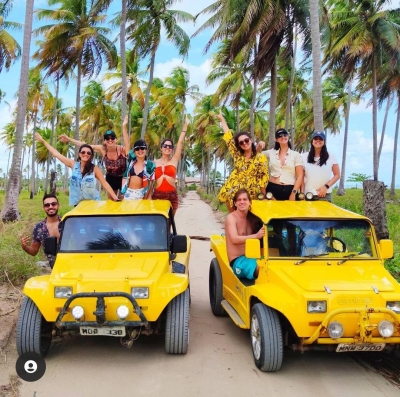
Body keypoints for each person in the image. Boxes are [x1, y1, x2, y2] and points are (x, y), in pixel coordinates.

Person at [35, 133, 119, 205]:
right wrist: (43, 141)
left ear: (91, 155)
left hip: (93, 203)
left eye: (88, 153)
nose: (85, 154)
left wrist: (115, 197)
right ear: (79, 154)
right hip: (78, 203)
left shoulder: (95, 169)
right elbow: (56, 154)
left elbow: (105, 184)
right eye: (83, 152)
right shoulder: (73, 164)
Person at [216, 111, 269, 212]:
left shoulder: (260, 157)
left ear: (251, 140)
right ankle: (234, 219)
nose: (244, 143)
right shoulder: (237, 154)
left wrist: (264, 195)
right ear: (239, 145)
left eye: (246, 140)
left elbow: (262, 177)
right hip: (235, 184)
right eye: (241, 142)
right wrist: (222, 119)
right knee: (228, 195)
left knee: (247, 207)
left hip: (250, 187)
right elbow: (228, 138)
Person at [58, 130, 127, 199]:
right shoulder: (102, 149)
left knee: (123, 200)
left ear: (116, 139)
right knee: (112, 201)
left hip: (123, 177)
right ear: (104, 141)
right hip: (111, 178)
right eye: (107, 138)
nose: (110, 140)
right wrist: (69, 139)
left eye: (112, 138)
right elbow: (85, 145)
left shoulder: (122, 149)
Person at [225, 189, 265, 280]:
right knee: (264, 269)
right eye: (239, 200)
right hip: (238, 260)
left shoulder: (252, 218)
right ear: (235, 203)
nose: (242, 202)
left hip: (253, 256)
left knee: (273, 265)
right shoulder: (231, 218)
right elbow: (234, 239)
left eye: (244, 199)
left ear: (250, 202)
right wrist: (256, 236)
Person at [152, 116, 189, 214]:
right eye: (165, 146)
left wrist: (185, 127)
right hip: (158, 195)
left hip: (172, 195)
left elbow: (180, 142)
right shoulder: (154, 162)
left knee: (169, 224)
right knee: (158, 222)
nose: (167, 148)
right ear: (161, 148)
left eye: (170, 146)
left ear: (172, 149)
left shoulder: (174, 160)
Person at [257, 128, 303, 200]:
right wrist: (259, 146)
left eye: (285, 135)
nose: (283, 137)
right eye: (280, 136)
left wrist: (294, 192)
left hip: (290, 189)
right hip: (272, 189)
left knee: (290, 211)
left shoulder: (296, 155)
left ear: (288, 137)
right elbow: (256, 154)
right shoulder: (271, 152)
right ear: (276, 139)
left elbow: (300, 176)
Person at [19, 193, 64, 268]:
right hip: (53, 267)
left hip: (70, 262)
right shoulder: (39, 227)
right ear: (43, 208)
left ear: (58, 205)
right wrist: (25, 247)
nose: (51, 207)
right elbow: (34, 251)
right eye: (47, 205)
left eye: (53, 204)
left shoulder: (67, 222)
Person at [121, 116, 155, 200]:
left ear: (146, 150)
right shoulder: (131, 161)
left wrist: (148, 199)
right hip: (128, 193)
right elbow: (127, 143)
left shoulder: (150, 165)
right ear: (135, 151)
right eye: (137, 149)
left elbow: (150, 185)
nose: (140, 151)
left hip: (141, 195)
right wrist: (124, 127)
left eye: (142, 148)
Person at [301, 131, 340, 201]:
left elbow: (337, 175)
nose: (318, 141)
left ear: (324, 142)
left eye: (321, 139)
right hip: (308, 195)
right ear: (312, 141)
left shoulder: (331, 156)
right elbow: (301, 177)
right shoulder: (304, 157)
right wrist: (302, 193)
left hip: (324, 195)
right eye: (316, 139)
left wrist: (326, 187)